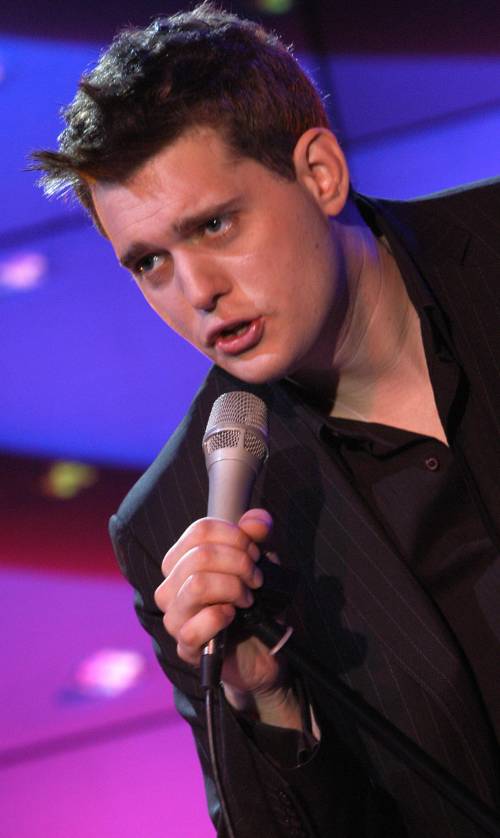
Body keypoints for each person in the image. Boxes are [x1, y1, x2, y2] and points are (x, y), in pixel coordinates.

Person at [33, 3, 500, 836]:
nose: (196, 291)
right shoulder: (178, 523)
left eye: (214, 224)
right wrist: (267, 700)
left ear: (319, 172)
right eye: (150, 262)